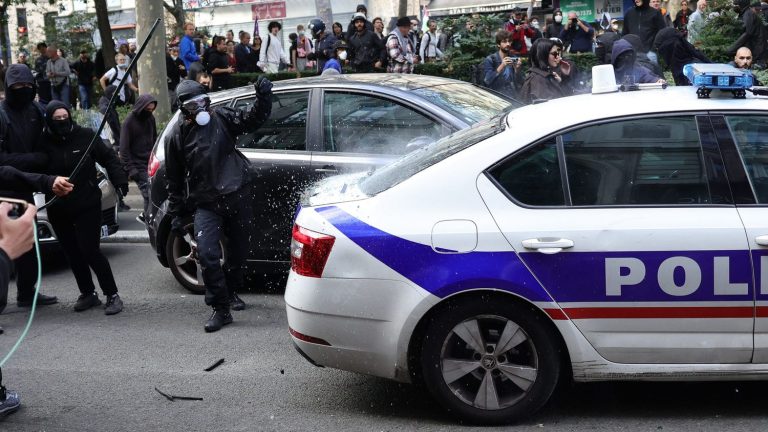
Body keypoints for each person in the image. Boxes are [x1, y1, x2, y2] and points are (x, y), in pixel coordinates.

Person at [165, 77, 273, 332]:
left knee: (239, 252)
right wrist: (177, 214)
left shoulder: (222, 117)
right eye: (193, 106)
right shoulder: (176, 136)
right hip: (207, 203)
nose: (200, 109)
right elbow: (174, 179)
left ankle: (231, 291)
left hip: (237, 192)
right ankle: (220, 308)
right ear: (183, 109)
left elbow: (253, 119)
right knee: (208, 254)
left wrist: (263, 97)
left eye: (203, 102)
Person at [37, 101, 129, 314]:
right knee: (72, 252)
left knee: (90, 250)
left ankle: (112, 294)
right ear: (49, 121)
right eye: (56, 119)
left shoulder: (86, 136)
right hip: (58, 207)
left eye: (64, 117)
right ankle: (87, 293)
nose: (62, 121)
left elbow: (108, 158)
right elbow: (35, 167)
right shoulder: (43, 143)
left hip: (87, 202)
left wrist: (120, 180)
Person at [0, 65, 59, 308]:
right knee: (5, 250)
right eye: (17, 87)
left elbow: (51, 144)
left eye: (27, 86)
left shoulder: (36, 110)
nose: (23, 91)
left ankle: (26, 293)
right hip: (4, 191)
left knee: (29, 246)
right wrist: (35, 160)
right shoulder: (1, 115)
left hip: (28, 191)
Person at [120, 94, 157, 224]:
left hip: (150, 164)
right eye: (147, 109)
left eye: (152, 110)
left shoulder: (150, 119)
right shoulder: (129, 123)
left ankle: (146, 217)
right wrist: (131, 169)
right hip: (137, 166)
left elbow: (154, 140)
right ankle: (149, 221)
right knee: (149, 195)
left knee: (153, 194)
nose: (150, 112)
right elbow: (123, 150)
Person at [520, 38, 571, 103]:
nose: (558, 57)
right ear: (543, 55)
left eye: (558, 53)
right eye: (554, 54)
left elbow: (566, 96)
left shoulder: (543, 75)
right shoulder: (538, 79)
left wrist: (564, 77)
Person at [482, 30, 524, 99]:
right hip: (497, 97)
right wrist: (502, 65)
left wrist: (517, 69)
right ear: (498, 44)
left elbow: (521, 81)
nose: (508, 44)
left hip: (513, 96)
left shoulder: (514, 58)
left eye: (509, 41)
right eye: (504, 42)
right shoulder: (491, 59)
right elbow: (487, 80)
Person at [728, 0, 766, 65]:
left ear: (741, 5)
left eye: (736, 5)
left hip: (756, 52)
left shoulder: (748, 14)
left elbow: (747, 33)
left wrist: (732, 49)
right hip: (756, 50)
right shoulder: (747, 13)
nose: (734, 7)